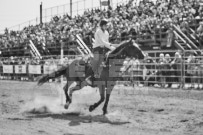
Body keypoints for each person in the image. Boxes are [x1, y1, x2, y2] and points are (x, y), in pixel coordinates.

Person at [85, 19, 118, 84]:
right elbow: (103, 42)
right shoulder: (98, 31)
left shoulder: (107, 33)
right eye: (105, 25)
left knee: (106, 61)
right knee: (97, 60)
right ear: (102, 25)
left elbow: (107, 43)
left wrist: (113, 48)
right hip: (97, 48)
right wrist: (112, 46)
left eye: (107, 25)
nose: (106, 27)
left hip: (103, 49)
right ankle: (90, 77)